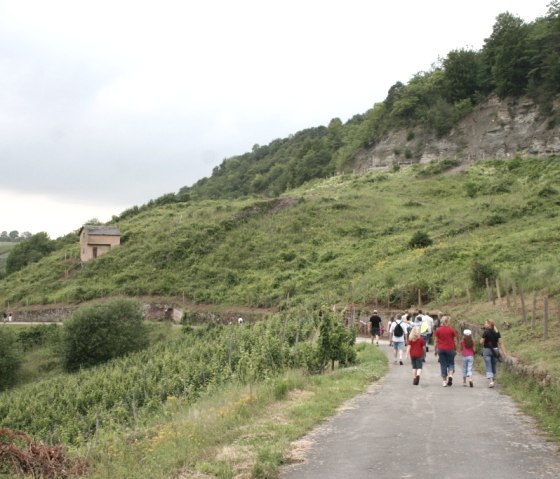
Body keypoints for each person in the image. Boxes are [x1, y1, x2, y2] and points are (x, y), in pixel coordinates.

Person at [434, 316, 458, 387]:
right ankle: (450, 375)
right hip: (450, 349)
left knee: (443, 365)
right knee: (451, 363)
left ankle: (444, 381)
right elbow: (455, 340)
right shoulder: (452, 329)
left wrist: (435, 350)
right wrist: (455, 349)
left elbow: (436, 341)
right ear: (447, 322)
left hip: (441, 349)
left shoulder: (438, 330)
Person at [480, 319, 503, 388]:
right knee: (493, 365)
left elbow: (481, 342)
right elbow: (500, 342)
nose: (484, 324)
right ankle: (493, 379)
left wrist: (482, 340)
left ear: (489, 324)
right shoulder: (497, 332)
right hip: (495, 350)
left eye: (485, 323)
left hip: (487, 350)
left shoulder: (486, 332)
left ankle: (491, 381)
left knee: (488, 365)